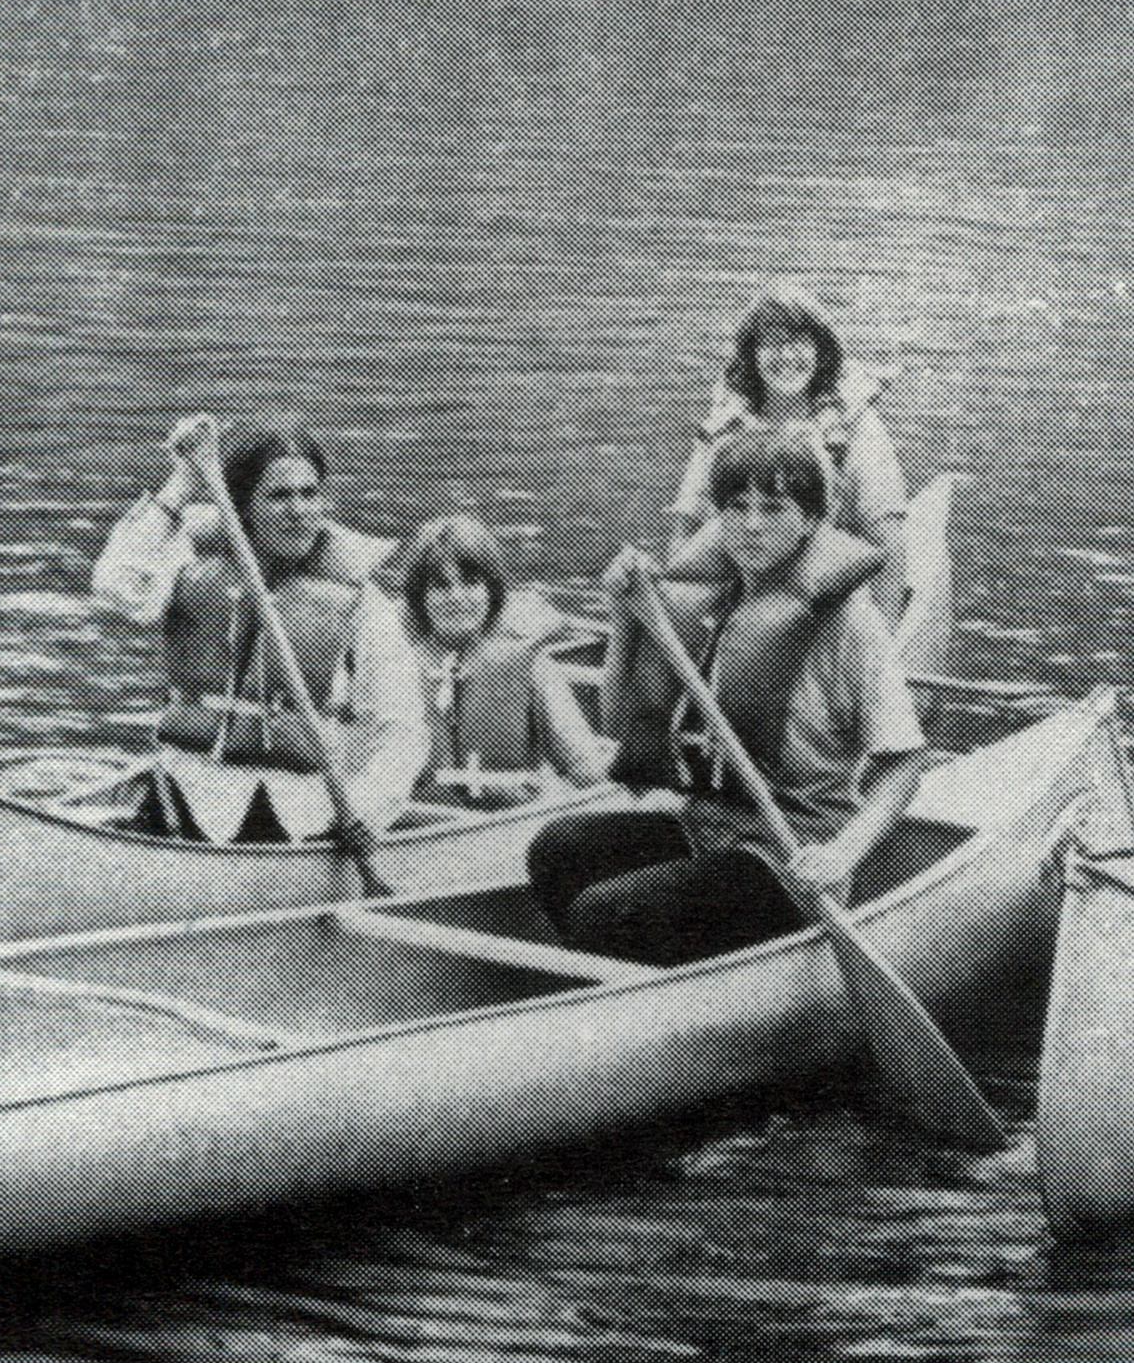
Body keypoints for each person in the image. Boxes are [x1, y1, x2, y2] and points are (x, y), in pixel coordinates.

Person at [531, 431, 930, 965]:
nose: (752, 526)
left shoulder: (848, 624)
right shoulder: (707, 603)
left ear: (812, 520)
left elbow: (903, 762)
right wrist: (625, 612)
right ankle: (656, 980)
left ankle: (655, 988)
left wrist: (843, 853)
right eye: (736, 508)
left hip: (787, 855)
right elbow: (618, 722)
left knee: (604, 913)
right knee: (558, 849)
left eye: (773, 508)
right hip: (705, 826)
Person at [90, 414, 419, 843]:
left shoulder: (360, 601)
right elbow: (114, 585)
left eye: (309, 493)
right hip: (183, 796)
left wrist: (366, 812)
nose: (299, 511)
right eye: (279, 496)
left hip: (300, 818)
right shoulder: (189, 566)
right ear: (242, 506)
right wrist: (184, 482)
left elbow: (401, 731)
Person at [667, 283, 910, 620]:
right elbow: (687, 527)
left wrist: (883, 644)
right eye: (771, 344)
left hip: (824, 599)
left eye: (798, 342)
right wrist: (675, 613)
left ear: (820, 350)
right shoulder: (726, 424)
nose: (786, 357)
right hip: (739, 591)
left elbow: (887, 540)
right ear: (752, 354)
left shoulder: (857, 427)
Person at [379, 515, 611, 815]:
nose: (457, 597)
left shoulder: (528, 664)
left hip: (510, 829)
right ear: (420, 596)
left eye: (471, 582)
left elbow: (584, 768)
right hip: (421, 834)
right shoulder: (392, 667)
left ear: (492, 591)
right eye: (440, 585)